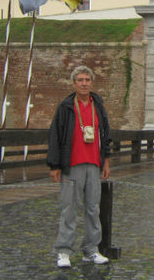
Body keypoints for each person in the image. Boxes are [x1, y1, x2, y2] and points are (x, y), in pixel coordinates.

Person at [47, 65, 112, 268]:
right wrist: (55, 165)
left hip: (93, 163)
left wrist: (106, 160)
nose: (84, 83)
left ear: (92, 83)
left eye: (87, 80)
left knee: (93, 208)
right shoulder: (66, 107)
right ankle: (64, 251)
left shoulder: (98, 106)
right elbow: (55, 136)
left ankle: (91, 250)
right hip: (72, 164)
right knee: (69, 209)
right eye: (80, 80)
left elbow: (105, 134)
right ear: (74, 83)